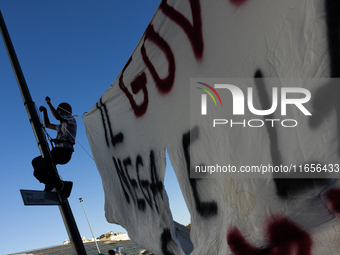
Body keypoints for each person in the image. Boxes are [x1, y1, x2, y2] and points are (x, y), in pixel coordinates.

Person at [32, 96, 77, 199]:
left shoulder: (71, 119)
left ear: (64, 111)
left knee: (38, 172)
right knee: (35, 162)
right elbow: (47, 125)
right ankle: (51, 182)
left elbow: (57, 117)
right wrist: (45, 112)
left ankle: (63, 185)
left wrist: (49, 104)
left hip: (64, 152)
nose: (59, 113)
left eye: (60, 111)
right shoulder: (61, 126)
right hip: (57, 151)